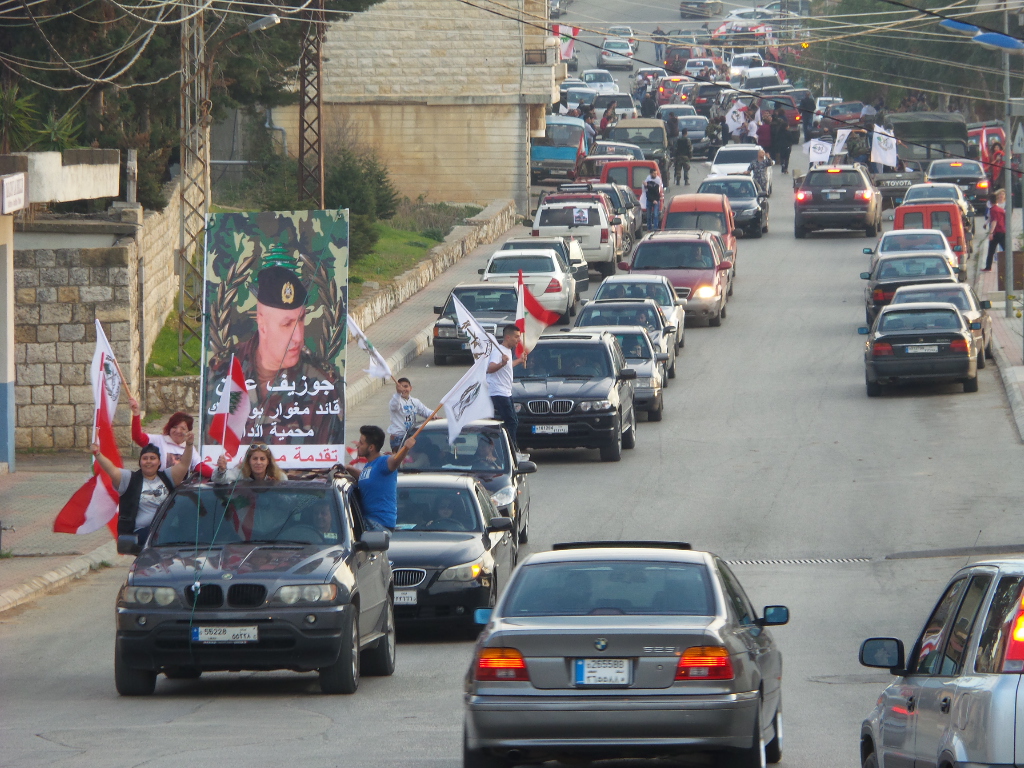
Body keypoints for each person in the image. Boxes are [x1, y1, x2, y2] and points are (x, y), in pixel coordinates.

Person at [204, 263, 343, 445]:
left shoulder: (322, 383)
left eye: (300, 320)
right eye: (286, 324)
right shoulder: (224, 369)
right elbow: (212, 441)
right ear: (262, 324)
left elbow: (329, 455)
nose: (298, 337)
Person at [92, 433, 194, 546]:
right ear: (140, 462)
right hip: (142, 533)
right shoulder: (129, 479)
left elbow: (184, 464)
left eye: (153, 458)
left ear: (159, 462)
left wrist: (189, 445)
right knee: (156, 538)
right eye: (145, 458)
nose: (149, 461)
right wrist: (98, 454)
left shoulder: (168, 477)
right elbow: (112, 470)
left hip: (167, 529)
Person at [342, 425, 415, 533]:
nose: (358, 445)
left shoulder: (383, 462)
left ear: (371, 447)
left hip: (378, 525)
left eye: (361, 443)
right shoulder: (369, 466)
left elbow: (394, 461)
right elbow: (365, 478)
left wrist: (406, 448)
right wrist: (348, 468)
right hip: (370, 522)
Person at [127, 398, 209, 476]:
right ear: (169, 428)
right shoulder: (158, 440)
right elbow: (138, 437)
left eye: (183, 429)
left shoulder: (189, 448)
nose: (178, 431)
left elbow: (200, 466)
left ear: (188, 431)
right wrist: (136, 413)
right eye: (174, 427)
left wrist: (219, 473)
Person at [487, 326, 526, 454]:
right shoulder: (498, 351)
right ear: (507, 337)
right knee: (511, 422)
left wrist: (519, 361)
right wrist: (502, 364)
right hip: (498, 392)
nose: (518, 340)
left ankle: (509, 448)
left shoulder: (507, 351)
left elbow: (508, 365)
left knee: (513, 421)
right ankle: (511, 450)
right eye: (516, 337)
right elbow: (490, 368)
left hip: (506, 392)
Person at [387, 377, 433, 452]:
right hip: (398, 437)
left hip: (411, 435)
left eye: (406, 386)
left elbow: (426, 412)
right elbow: (394, 406)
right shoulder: (395, 401)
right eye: (400, 387)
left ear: (410, 388)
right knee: (400, 460)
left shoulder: (415, 402)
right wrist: (398, 394)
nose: (403, 389)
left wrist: (434, 415)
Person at [213, 442, 287, 485]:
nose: (258, 462)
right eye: (255, 459)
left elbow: (288, 500)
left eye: (262, 459)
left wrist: (275, 487)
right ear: (249, 461)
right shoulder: (240, 473)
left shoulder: (279, 477)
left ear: (268, 461)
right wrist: (221, 470)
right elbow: (219, 480)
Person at [984, 189, 1006, 271]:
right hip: (1003, 230)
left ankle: (988, 267)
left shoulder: (993, 209)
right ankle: (1011, 263)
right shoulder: (1001, 209)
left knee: (991, 250)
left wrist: (991, 233)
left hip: (996, 232)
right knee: (1005, 249)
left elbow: (994, 221)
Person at [770, 108, 791, 174]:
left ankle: (782, 167)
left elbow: (777, 139)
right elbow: (791, 139)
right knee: (786, 158)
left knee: (782, 158)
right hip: (787, 146)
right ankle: (786, 168)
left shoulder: (779, 132)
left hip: (781, 147)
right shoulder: (788, 133)